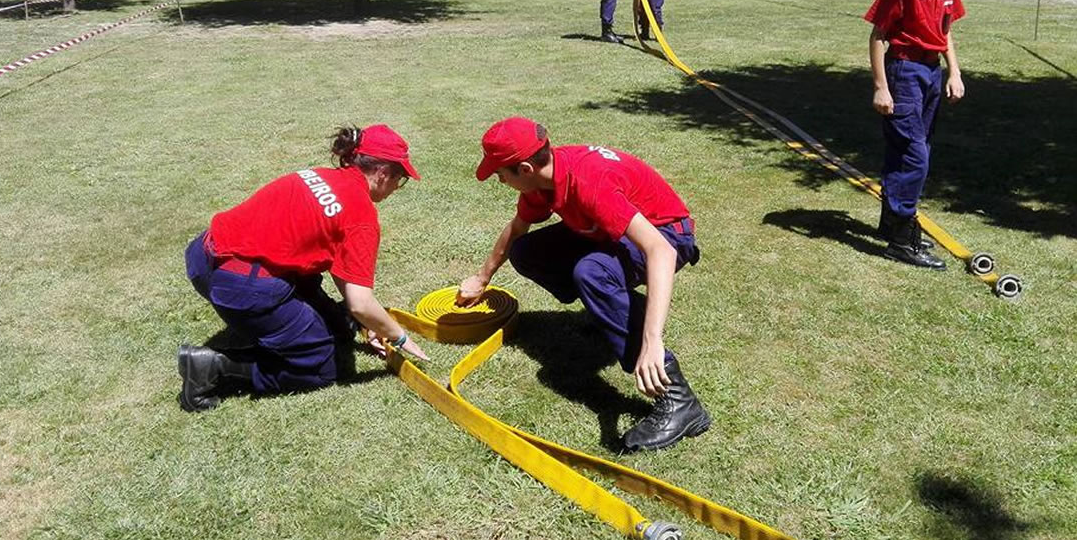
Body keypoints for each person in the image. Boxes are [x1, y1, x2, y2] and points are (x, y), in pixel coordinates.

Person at [457, 117, 710, 452]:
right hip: (614, 230)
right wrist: (482, 277)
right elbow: (518, 228)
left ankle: (679, 401)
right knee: (527, 252)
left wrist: (652, 341)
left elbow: (659, 250)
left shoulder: (589, 182)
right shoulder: (544, 180)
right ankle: (608, 309)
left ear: (524, 168)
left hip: (666, 235)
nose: (498, 179)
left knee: (592, 273)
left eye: (499, 173)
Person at [178, 124, 430, 412]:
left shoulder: (319, 175)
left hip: (203, 257)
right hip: (239, 286)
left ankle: (323, 322)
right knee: (322, 363)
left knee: (324, 302)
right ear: (383, 173)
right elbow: (360, 302)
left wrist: (365, 320)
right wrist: (399, 337)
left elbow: (341, 268)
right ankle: (212, 367)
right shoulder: (360, 215)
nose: (396, 188)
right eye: (399, 179)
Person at [866, 0, 966, 270]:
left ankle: (890, 222)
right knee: (915, 155)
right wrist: (881, 86)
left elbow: (946, 29)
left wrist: (953, 72)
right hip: (904, 71)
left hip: (931, 72)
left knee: (907, 149)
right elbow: (878, 35)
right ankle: (903, 235)